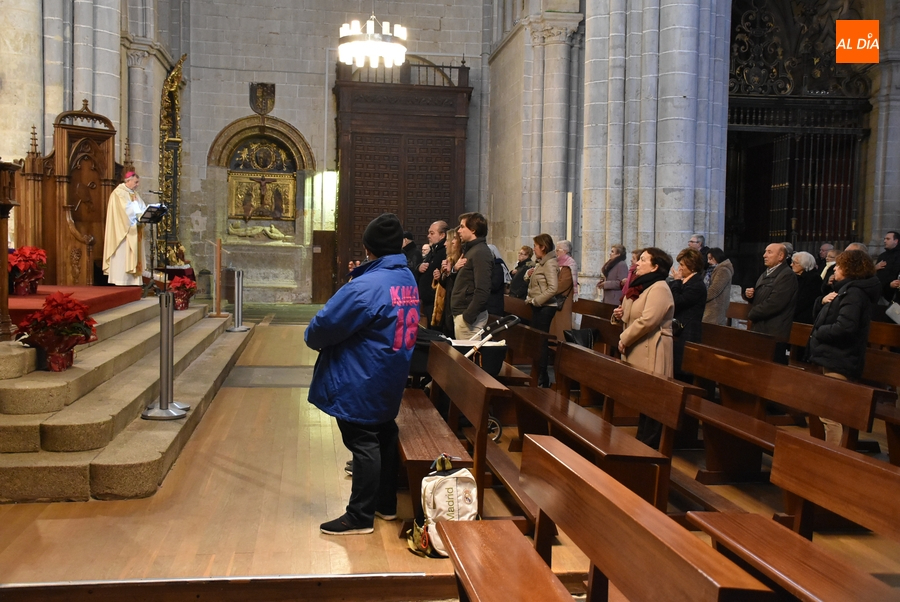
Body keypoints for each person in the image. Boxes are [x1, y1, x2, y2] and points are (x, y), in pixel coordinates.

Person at [305, 213, 418, 535]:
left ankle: (359, 516)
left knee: (363, 440)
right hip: (390, 371)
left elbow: (322, 327)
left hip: (362, 375)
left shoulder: (367, 285)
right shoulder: (406, 278)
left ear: (369, 248)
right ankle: (385, 504)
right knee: (385, 433)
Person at [806, 249, 880, 444]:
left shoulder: (854, 293)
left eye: (839, 266)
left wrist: (818, 332)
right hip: (833, 356)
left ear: (850, 269)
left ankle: (833, 457)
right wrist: (823, 300)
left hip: (840, 358)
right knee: (825, 411)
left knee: (831, 414)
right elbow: (828, 315)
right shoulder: (845, 290)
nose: (835, 269)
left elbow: (845, 327)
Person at [613, 247, 674, 448]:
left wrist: (624, 339)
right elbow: (630, 313)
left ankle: (650, 447)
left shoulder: (659, 288)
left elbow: (648, 320)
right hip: (638, 345)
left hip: (653, 348)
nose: (637, 263)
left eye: (643, 260)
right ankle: (641, 442)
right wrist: (618, 315)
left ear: (655, 267)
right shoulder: (641, 286)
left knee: (653, 400)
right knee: (643, 401)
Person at [744, 243, 798, 362]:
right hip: (761, 327)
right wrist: (751, 295)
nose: (764, 255)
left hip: (773, 331)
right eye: (765, 251)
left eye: (769, 252)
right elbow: (763, 296)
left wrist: (752, 313)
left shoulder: (787, 276)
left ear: (780, 256)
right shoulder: (767, 273)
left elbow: (775, 303)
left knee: (770, 366)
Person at [525, 233, 562, 386]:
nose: (533, 249)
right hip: (539, 306)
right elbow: (538, 281)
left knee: (541, 342)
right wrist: (528, 275)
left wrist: (536, 301)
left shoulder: (550, 263)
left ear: (543, 247)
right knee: (537, 341)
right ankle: (539, 374)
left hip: (545, 307)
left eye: (535, 246)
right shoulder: (541, 262)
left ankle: (542, 376)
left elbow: (553, 288)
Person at [450, 212, 493, 339]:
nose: (459, 231)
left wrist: (468, 316)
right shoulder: (471, 250)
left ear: (473, 229)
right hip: (462, 313)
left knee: (468, 352)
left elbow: (483, 289)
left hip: (469, 318)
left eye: (462, 227)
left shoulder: (480, 252)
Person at [102, 171, 147, 286]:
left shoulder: (134, 194)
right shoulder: (119, 193)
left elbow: (142, 208)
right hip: (123, 232)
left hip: (134, 230)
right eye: (136, 182)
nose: (137, 185)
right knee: (122, 256)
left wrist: (143, 213)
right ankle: (121, 281)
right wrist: (136, 208)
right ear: (128, 181)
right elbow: (125, 212)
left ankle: (133, 282)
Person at [668, 248, 707, 382]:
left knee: (682, 373)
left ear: (692, 266)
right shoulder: (686, 281)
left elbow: (677, 301)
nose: (679, 268)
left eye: (682, 265)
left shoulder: (697, 285)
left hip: (688, 332)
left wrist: (676, 281)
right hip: (678, 329)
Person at [416, 221, 447, 324]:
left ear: (442, 235)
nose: (428, 236)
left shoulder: (444, 252)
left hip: (436, 303)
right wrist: (419, 267)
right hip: (427, 303)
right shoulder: (434, 250)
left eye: (432, 233)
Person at [434, 227, 462, 335]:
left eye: (448, 240)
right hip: (446, 308)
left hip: (455, 309)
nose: (445, 244)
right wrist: (442, 275)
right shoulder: (449, 260)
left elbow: (458, 285)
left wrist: (452, 272)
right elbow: (446, 285)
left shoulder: (461, 260)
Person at [702, 247, 734, 325]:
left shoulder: (723, 270)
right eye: (708, 258)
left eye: (711, 258)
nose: (708, 261)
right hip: (707, 306)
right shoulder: (711, 269)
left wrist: (700, 298)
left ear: (717, 257)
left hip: (715, 308)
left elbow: (715, 290)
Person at [791, 251, 823, 324]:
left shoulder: (814, 279)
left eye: (795, 263)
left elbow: (804, 301)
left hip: (803, 318)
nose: (791, 264)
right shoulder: (794, 277)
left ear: (804, 264)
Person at [875, 231, 900, 303]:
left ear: (896, 241)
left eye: (888, 239)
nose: (885, 241)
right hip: (880, 291)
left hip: (893, 293)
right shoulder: (882, 256)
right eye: (884, 239)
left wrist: (890, 284)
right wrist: (875, 268)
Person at [486, 244, 509, 316]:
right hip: (488, 303)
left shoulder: (497, 267)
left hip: (494, 304)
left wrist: (482, 283)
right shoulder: (489, 266)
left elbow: (494, 286)